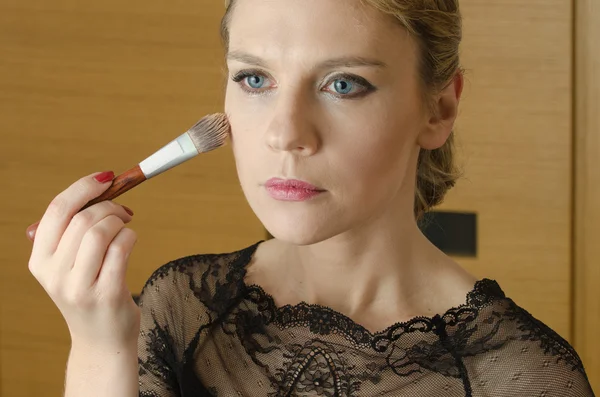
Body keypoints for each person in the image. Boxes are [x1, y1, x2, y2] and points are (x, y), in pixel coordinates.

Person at [27, 0, 596, 396]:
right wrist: (100, 348)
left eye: (342, 84)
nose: (284, 133)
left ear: (439, 109)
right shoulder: (182, 306)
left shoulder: (518, 375)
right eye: (254, 79)